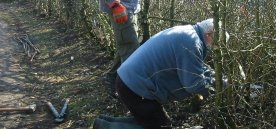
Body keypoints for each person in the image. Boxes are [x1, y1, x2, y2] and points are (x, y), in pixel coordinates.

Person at [93, 18, 229, 129]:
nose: (217, 47)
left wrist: (217, 78)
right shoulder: (192, 43)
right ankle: (106, 126)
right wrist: (218, 87)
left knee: (152, 121)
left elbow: (197, 68)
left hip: (130, 82)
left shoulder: (189, 34)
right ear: (209, 34)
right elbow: (193, 84)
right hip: (135, 87)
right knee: (161, 126)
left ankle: (105, 123)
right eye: (218, 43)